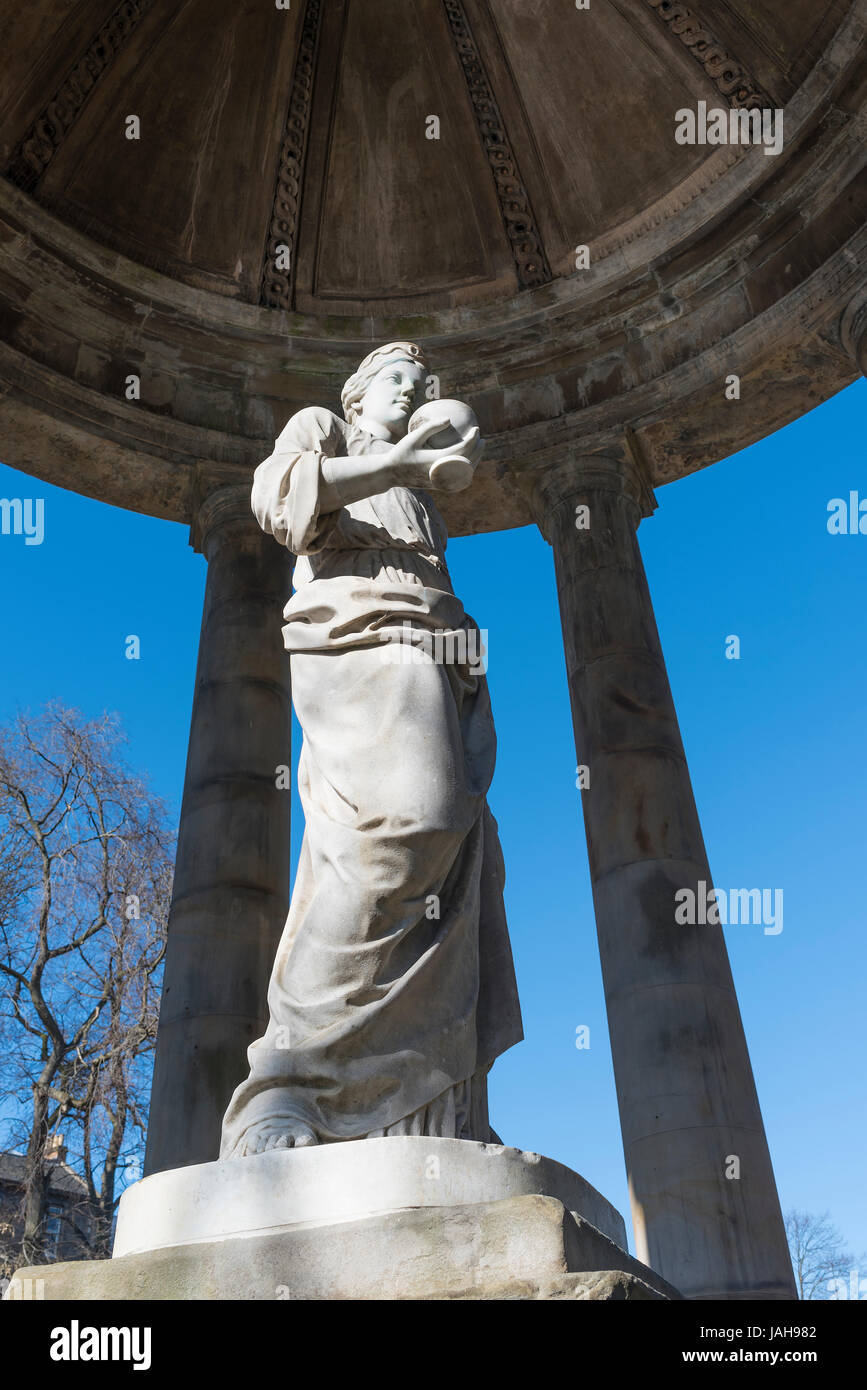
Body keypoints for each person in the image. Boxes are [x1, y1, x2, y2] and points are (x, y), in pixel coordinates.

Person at [220, 342, 523, 1157]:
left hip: (439, 647)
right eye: (400, 378)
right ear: (355, 394)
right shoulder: (326, 429)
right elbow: (281, 501)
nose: (416, 390)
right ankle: (295, 1082)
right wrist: (395, 462)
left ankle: (430, 1099)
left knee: (461, 854)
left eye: (425, 383)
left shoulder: (420, 487)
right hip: (359, 641)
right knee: (401, 832)